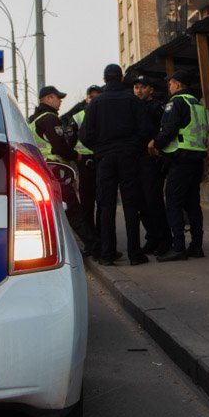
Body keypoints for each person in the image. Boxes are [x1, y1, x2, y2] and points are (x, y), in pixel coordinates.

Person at [80, 64, 148, 266]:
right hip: (128, 157)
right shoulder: (132, 100)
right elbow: (145, 130)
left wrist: (99, 148)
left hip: (105, 159)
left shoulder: (95, 104)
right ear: (121, 78)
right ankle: (135, 254)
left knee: (106, 206)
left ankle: (108, 254)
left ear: (104, 79)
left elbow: (84, 135)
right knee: (130, 205)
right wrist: (133, 146)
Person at [28, 85, 97, 256]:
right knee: (73, 209)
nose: (60, 102)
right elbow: (59, 146)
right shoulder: (50, 119)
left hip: (42, 169)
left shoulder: (34, 121)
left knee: (54, 212)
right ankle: (95, 247)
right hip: (56, 170)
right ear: (48, 99)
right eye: (57, 98)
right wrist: (76, 156)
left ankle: (62, 248)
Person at [149, 68, 207, 261]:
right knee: (193, 204)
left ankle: (179, 247)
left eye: (170, 83)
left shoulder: (176, 102)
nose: (169, 86)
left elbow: (169, 129)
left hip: (180, 160)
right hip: (196, 158)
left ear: (178, 84)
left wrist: (155, 144)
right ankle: (196, 246)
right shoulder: (196, 103)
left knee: (173, 203)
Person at [133, 75, 171, 255]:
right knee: (141, 202)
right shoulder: (134, 107)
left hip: (152, 159)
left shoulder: (158, 107)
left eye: (142, 87)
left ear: (151, 90)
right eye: (136, 87)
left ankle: (164, 240)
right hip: (138, 160)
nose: (139, 90)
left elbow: (165, 129)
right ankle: (152, 237)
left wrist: (155, 144)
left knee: (153, 201)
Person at [66, 85, 102, 251]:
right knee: (87, 203)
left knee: (103, 202)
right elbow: (69, 142)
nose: (94, 100)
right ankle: (91, 240)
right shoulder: (78, 117)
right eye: (91, 97)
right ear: (87, 99)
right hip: (86, 163)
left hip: (102, 161)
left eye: (97, 97)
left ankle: (102, 238)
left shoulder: (106, 114)